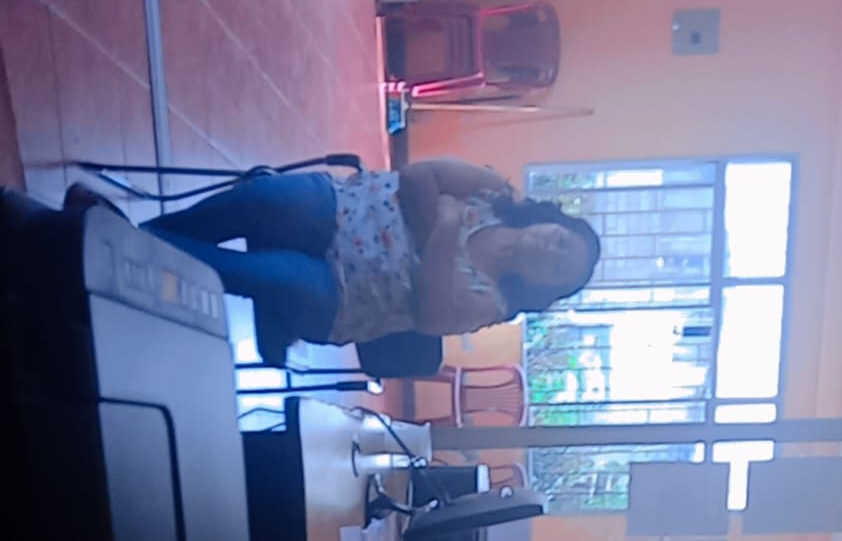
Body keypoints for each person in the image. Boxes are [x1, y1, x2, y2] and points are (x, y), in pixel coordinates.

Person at [67, 156, 600, 362]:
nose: (549, 250)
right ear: (551, 220)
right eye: (561, 240)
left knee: (254, 273)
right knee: (263, 199)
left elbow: (430, 317)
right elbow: (417, 176)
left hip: (341, 299)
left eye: (558, 267)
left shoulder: (495, 302)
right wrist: (430, 252)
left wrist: (441, 228)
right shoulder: (493, 190)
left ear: (543, 288)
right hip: (342, 209)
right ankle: (121, 239)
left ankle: (110, 236)